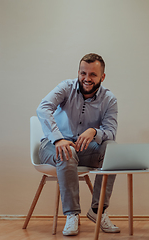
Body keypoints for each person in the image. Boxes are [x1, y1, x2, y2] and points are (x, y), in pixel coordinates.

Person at [36, 53, 120, 236]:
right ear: (79, 72)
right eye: (83, 73)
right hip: (52, 145)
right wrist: (58, 139)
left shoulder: (109, 99)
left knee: (112, 149)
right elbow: (43, 108)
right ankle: (72, 214)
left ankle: (98, 211)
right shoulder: (65, 87)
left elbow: (111, 132)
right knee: (66, 152)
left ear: (102, 77)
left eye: (93, 75)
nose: (87, 79)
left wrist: (94, 132)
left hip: (84, 149)